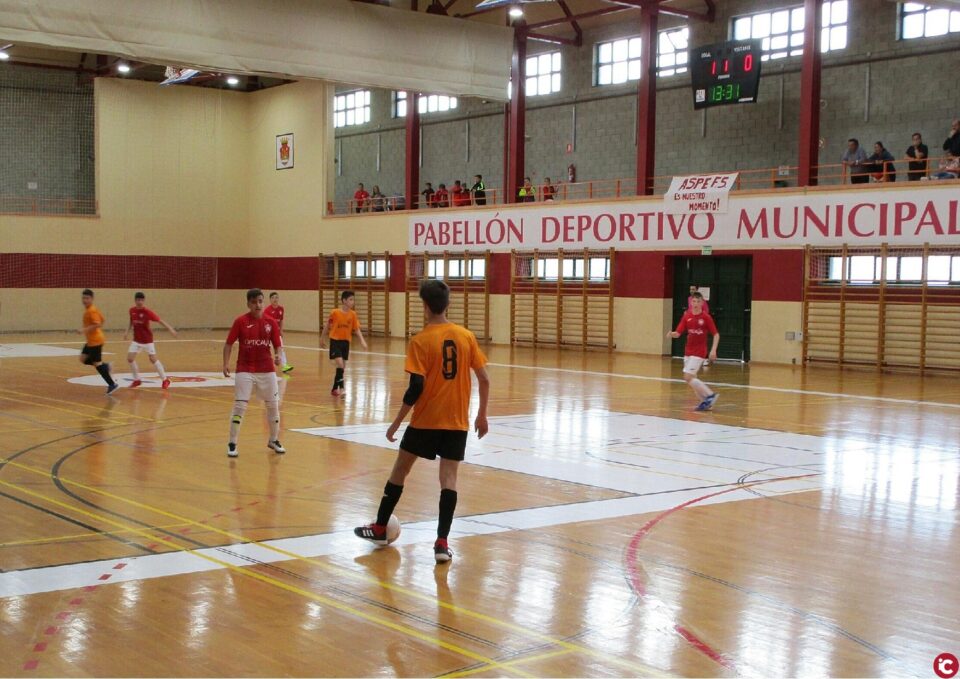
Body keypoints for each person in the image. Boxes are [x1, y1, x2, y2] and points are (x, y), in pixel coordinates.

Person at [354, 279, 490, 563]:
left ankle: (380, 527)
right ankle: (441, 543)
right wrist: (482, 414)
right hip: (456, 423)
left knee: (400, 471)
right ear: (448, 304)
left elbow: (416, 388)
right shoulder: (466, 336)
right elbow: (484, 379)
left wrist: (395, 423)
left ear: (425, 306)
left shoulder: (420, 340)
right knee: (449, 480)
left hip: (425, 422)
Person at [222, 288, 285, 458]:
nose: (258, 305)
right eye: (254, 302)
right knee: (240, 406)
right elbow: (228, 344)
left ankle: (273, 439)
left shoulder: (271, 323)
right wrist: (225, 363)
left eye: (260, 301)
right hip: (245, 369)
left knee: (273, 405)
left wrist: (278, 355)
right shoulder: (240, 322)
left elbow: (277, 345)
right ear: (248, 304)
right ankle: (232, 442)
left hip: (267, 369)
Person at [667, 292, 719, 412]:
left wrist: (713, 350)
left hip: (699, 352)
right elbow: (678, 333)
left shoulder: (706, 317)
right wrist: (672, 334)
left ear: (702, 303)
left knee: (687, 377)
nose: (695, 304)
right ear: (691, 302)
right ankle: (705, 402)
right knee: (692, 379)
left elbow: (716, 334)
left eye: (698, 301)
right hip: (688, 351)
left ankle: (710, 395)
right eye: (693, 301)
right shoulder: (687, 316)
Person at [123, 292, 177, 389]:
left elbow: (160, 320)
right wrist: (127, 332)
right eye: (138, 300)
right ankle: (137, 380)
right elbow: (131, 321)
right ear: (135, 300)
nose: (139, 302)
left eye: (141, 300)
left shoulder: (147, 312)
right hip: (136, 340)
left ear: (144, 301)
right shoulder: (132, 310)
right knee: (130, 358)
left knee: (153, 359)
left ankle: (165, 380)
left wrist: (170, 329)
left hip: (147, 340)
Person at [320, 290, 368, 396]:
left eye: (353, 299)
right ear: (344, 301)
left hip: (346, 343)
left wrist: (362, 341)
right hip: (335, 342)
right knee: (340, 364)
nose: (353, 302)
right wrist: (322, 338)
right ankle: (342, 388)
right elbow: (327, 326)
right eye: (350, 299)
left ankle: (334, 389)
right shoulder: (335, 313)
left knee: (341, 368)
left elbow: (356, 329)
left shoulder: (353, 314)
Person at [78, 289, 120, 395]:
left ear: (92, 299)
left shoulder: (91, 310)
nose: (85, 300)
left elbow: (97, 324)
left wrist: (84, 330)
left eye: (87, 298)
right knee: (83, 359)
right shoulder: (91, 310)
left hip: (95, 341)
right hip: (90, 341)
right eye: (83, 298)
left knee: (97, 364)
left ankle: (112, 384)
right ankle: (106, 366)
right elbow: (102, 319)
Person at [263, 291, 293, 373]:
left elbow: (281, 320)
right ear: (270, 300)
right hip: (268, 333)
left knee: (281, 348)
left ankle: (285, 366)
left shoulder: (281, 309)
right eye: (273, 298)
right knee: (266, 349)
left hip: (277, 333)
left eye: (276, 297)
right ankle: (264, 365)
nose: (275, 299)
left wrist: (281, 330)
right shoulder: (267, 310)